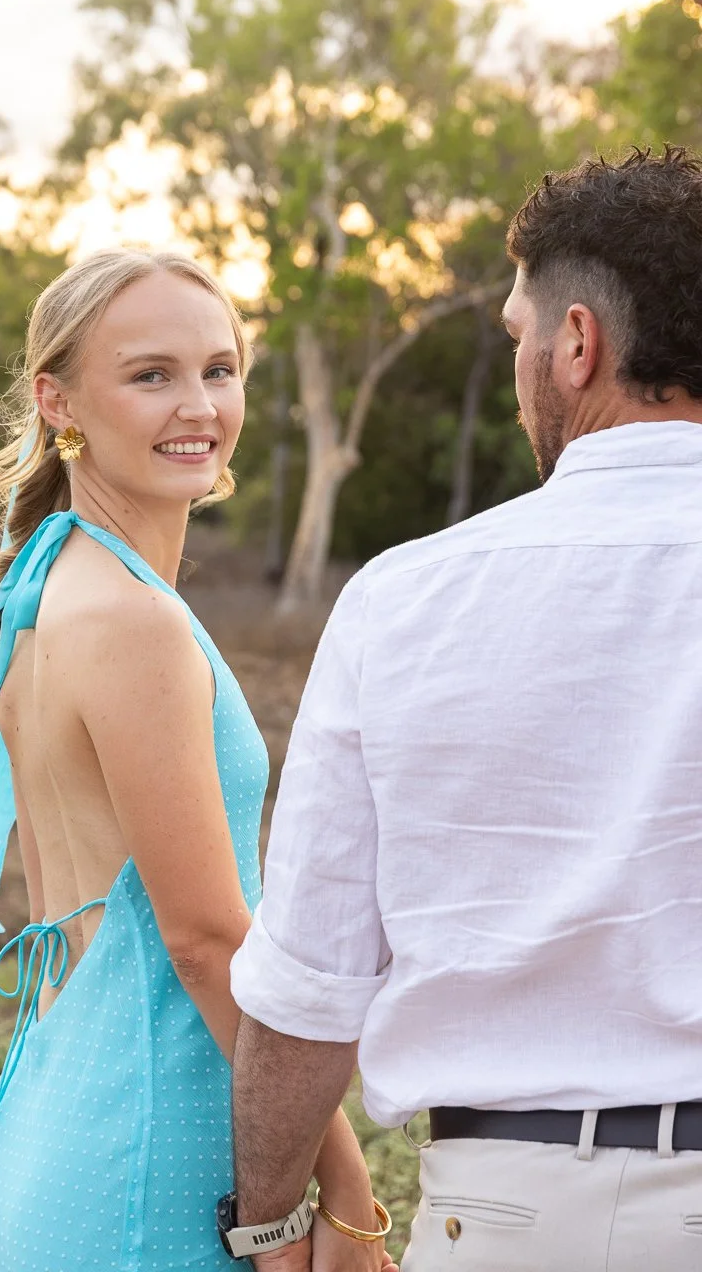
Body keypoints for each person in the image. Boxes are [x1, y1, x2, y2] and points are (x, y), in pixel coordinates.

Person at [228, 146, 702, 1272]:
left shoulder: (404, 599)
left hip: (507, 1223)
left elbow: (312, 980)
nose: (525, 356)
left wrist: (274, 1223)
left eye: (518, 332)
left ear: (577, 345)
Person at [0, 248, 384, 1272]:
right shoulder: (133, 623)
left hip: (47, 1145)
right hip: (149, 1181)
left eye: (218, 370)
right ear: (59, 401)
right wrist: (341, 1186)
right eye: (151, 375)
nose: (199, 406)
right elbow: (210, 943)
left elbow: (77, 923)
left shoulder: (46, 591)